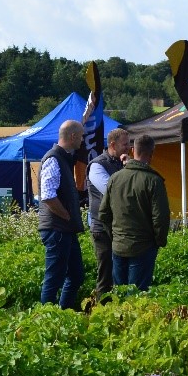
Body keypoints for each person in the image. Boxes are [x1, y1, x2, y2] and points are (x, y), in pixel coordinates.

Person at [98, 134, 171, 292]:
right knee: (137, 296)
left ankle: (119, 318)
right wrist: (159, 241)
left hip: (118, 245)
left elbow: (103, 214)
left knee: (119, 294)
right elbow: (161, 217)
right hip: (143, 246)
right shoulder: (154, 181)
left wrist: (114, 236)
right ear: (152, 153)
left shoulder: (115, 178)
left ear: (132, 150)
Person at [38, 119, 86, 309]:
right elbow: (47, 195)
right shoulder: (53, 159)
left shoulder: (62, 158)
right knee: (54, 279)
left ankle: (64, 314)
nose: (82, 140)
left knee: (76, 275)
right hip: (57, 229)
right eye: (81, 136)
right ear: (73, 136)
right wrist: (66, 216)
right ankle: (46, 321)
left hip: (64, 229)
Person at [86, 127, 132, 298]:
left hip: (118, 226)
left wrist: (129, 167)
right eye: (125, 144)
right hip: (102, 227)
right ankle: (101, 312)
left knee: (120, 271)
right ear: (113, 144)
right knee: (105, 273)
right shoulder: (98, 165)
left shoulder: (123, 163)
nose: (128, 147)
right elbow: (112, 191)